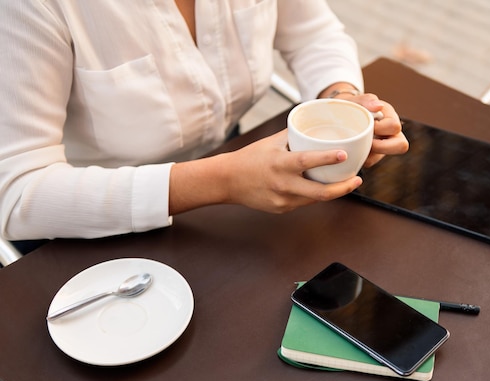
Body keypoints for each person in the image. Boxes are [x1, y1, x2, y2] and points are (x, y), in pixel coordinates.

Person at [0, 0, 408, 244]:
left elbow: (313, 35)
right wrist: (224, 180)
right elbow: (16, 192)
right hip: (88, 226)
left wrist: (343, 102)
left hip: (232, 202)